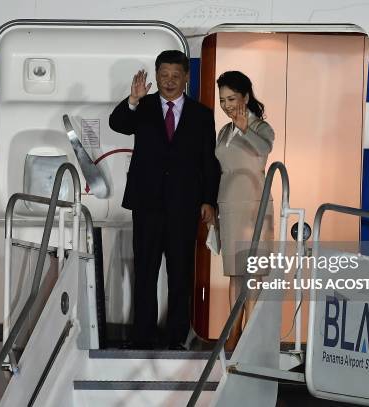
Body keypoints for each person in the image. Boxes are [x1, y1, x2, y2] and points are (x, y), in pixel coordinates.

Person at [109, 50, 220, 350]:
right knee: (144, 271)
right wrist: (132, 99)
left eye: (175, 76)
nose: (169, 81)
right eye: (163, 75)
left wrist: (209, 200)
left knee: (180, 274)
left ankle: (175, 338)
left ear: (186, 77)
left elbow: (208, 162)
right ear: (156, 76)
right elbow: (117, 124)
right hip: (147, 204)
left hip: (184, 206)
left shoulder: (201, 114)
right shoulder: (142, 107)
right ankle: (142, 336)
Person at [214, 71, 274, 350]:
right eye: (222, 99)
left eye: (232, 98)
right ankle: (233, 331)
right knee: (235, 273)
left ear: (246, 97)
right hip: (227, 205)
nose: (226, 105)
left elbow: (264, 150)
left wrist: (246, 127)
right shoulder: (224, 131)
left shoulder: (261, 127)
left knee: (253, 273)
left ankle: (250, 334)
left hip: (254, 206)